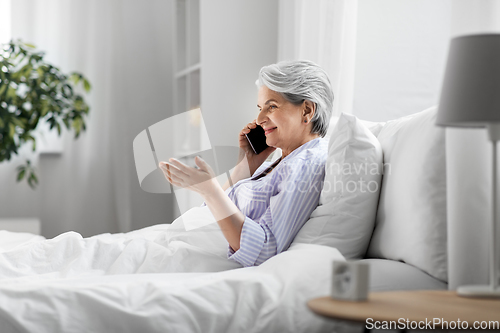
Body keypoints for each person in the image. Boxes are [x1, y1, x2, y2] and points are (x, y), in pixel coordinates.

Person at [160, 60, 334, 267]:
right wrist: (247, 163)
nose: (259, 118)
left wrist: (210, 191)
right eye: (260, 108)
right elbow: (213, 212)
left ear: (306, 110)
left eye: (271, 107)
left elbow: (264, 251)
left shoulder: (306, 164)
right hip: (175, 250)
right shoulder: (279, 161)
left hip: (190, 261)